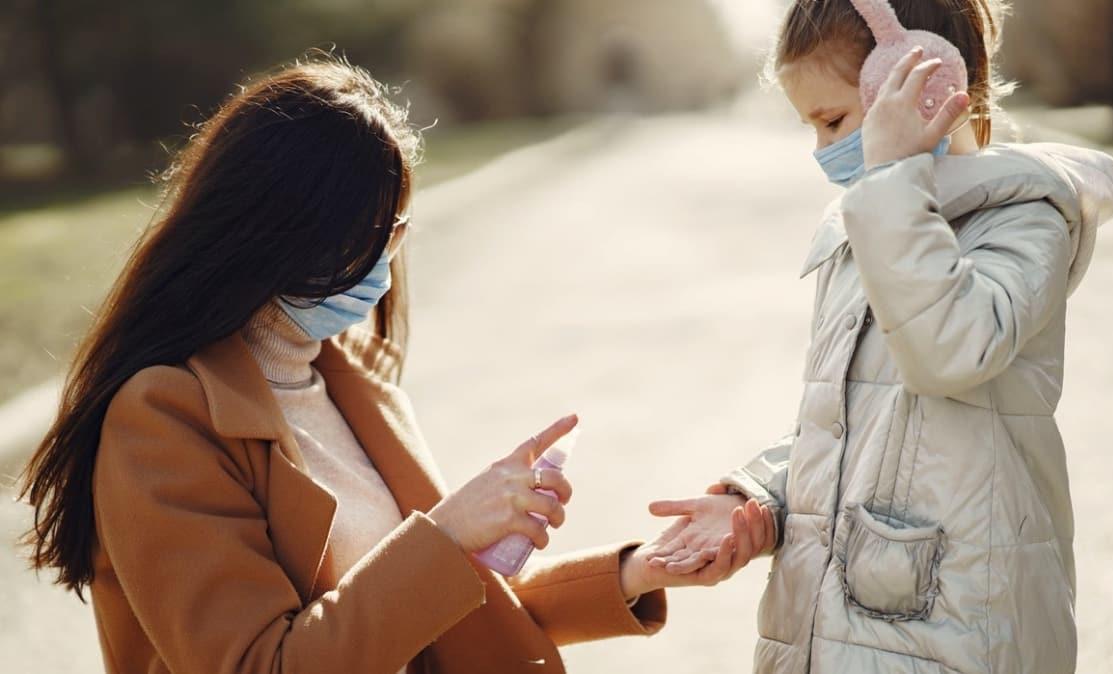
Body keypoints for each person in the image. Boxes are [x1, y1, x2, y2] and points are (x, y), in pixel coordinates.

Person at [14, 57, 776, 674]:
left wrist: (637, 571)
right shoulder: (165, 416)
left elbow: (432, 615)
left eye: (394, 231)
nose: (382, 262)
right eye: (360, 237)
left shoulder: (347, 373)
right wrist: (446, 530)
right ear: (269, 233)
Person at [645, 1, 1113, 672]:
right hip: (840, 629)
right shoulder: (872, 223)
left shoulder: (1021, 222)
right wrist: (755, 498)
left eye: (835, 122)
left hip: (953, 633)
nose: (823, 151)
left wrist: (887, 185)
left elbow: (949, 352)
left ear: (926, 85)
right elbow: (853, 430)